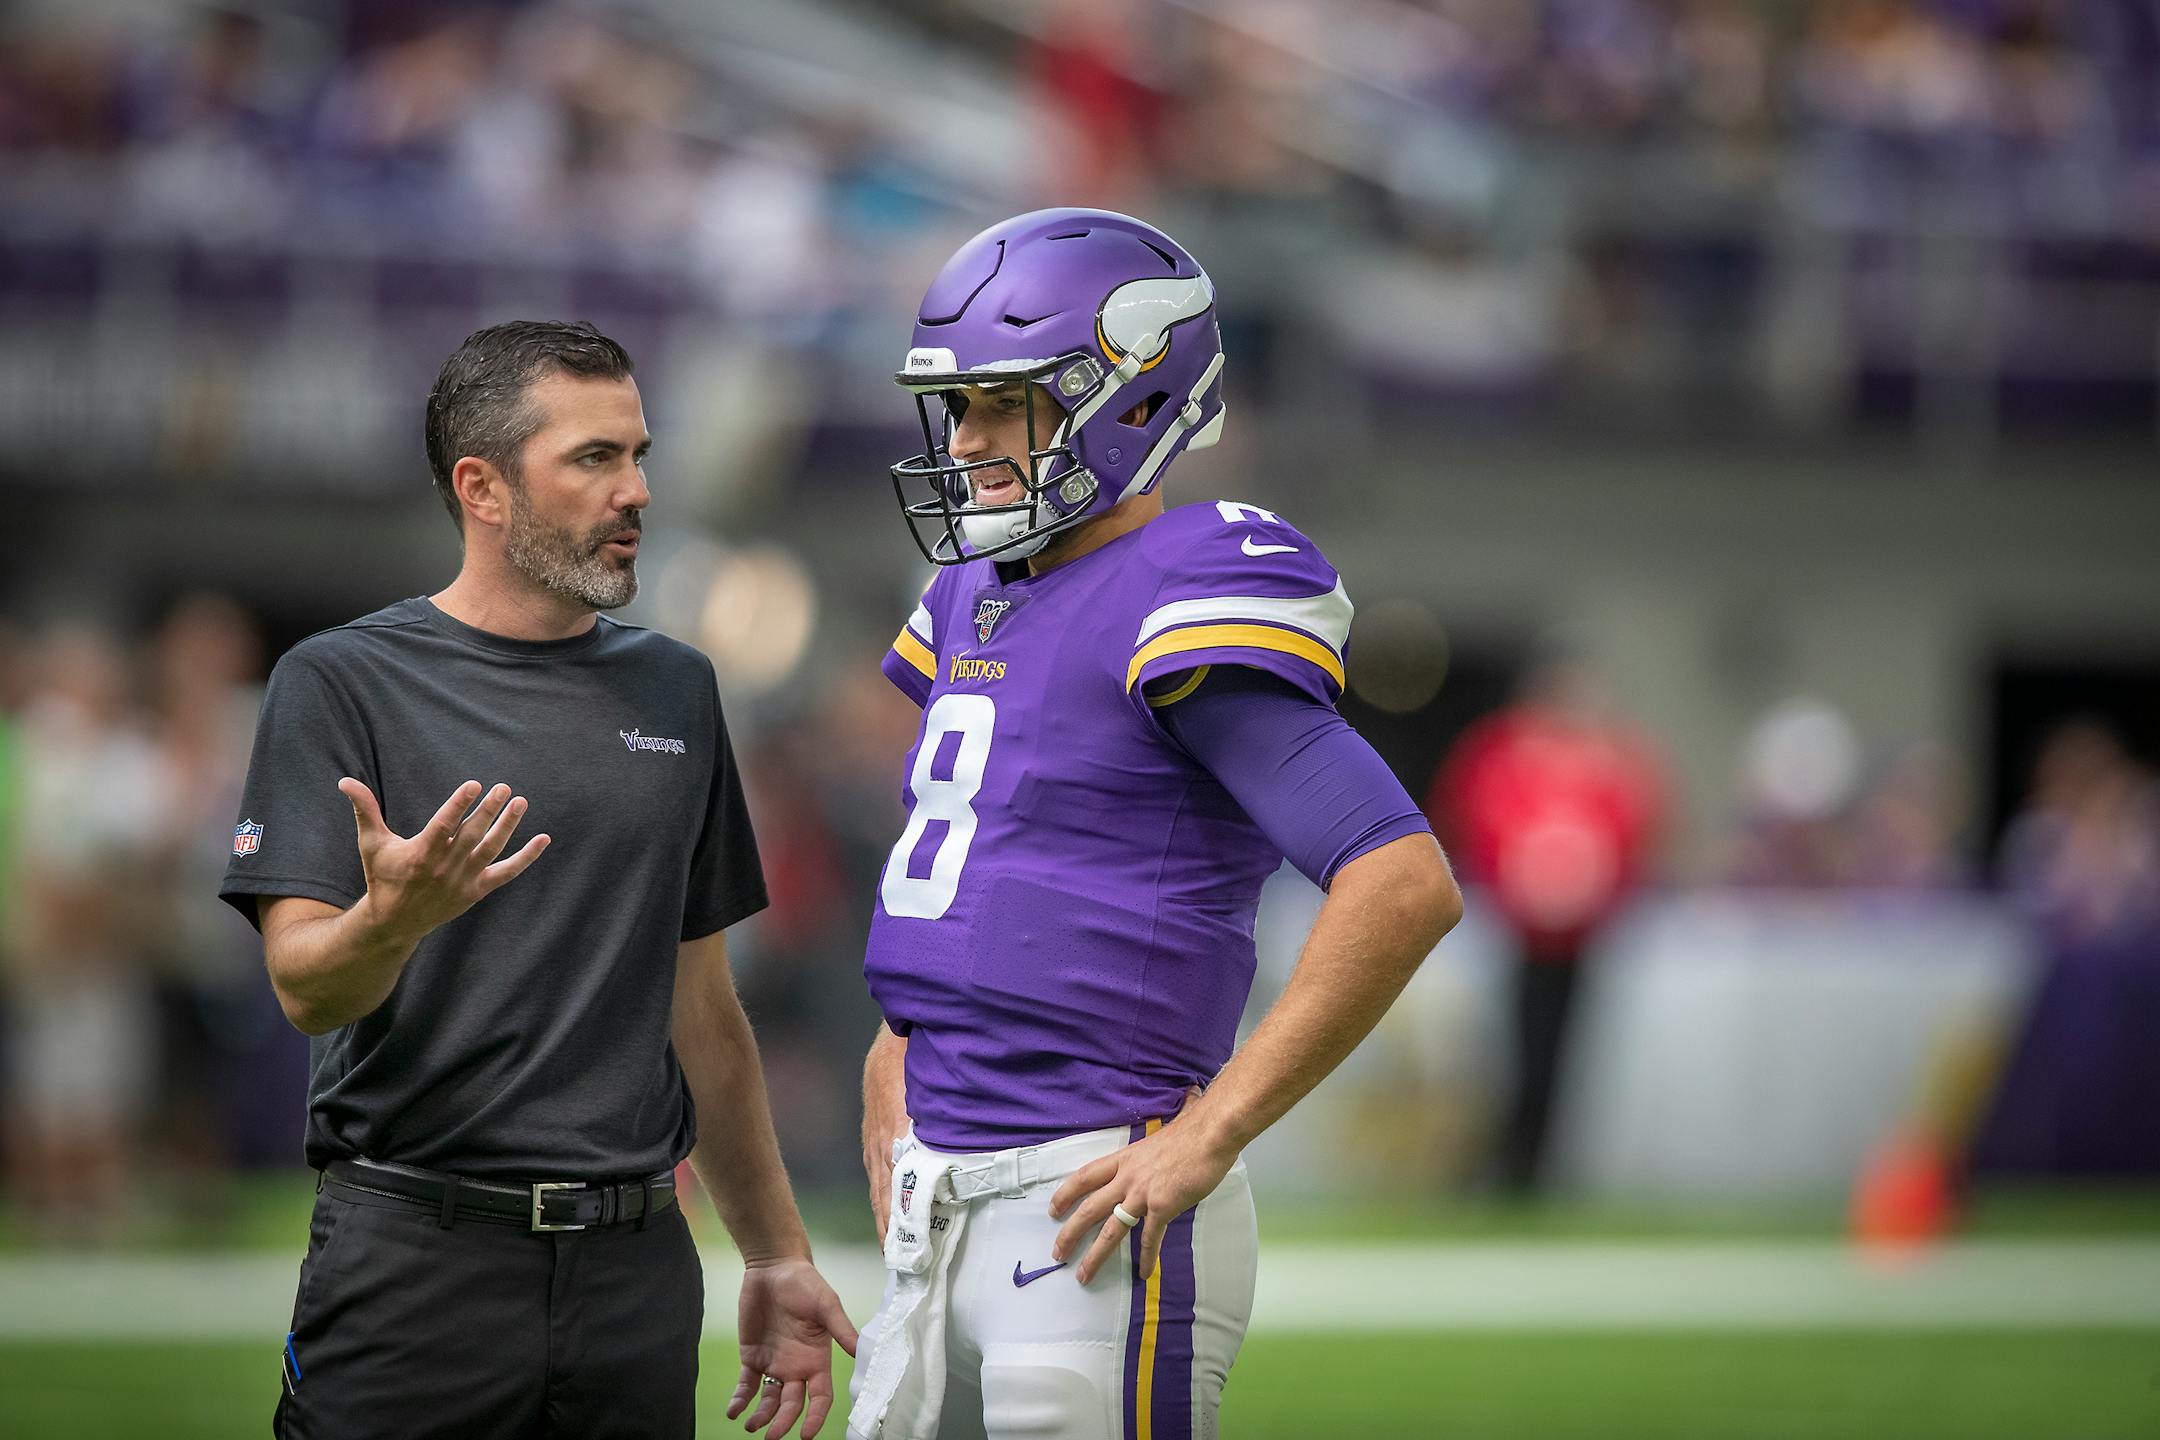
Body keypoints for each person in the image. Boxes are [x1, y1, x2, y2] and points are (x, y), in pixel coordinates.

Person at [850, 210, 1462, 1440]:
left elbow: (1402, 881)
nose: (965, 444)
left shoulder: (1186, 583)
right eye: (958, 408)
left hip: (1088, 1197)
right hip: (938, 1199)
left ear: (1130, 399)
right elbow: (999, 856)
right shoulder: (977, 588)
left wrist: (1215, 1130)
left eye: (1002, 406)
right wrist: (894, 1038)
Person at [218, 320, 855, 1440]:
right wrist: (392, 922)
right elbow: (308, 990)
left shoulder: (679, 690)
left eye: (639, 453)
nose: (638, 491)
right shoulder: (339, 682)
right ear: (485, 488)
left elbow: (703, 1014)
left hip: (637, 1274)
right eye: (594, 459)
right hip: (418, 1263)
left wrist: (777, 1254)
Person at [1428, 658, 1663, 1193]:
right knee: (1494, 1044)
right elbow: (1466, 817)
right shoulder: (1501, 752)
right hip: (1507, 931)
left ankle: (1536, 1163)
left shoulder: (1613, 757)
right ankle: (1492, 1157)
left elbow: (1639, 824)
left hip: (1581, 935)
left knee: (1560, 1051)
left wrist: (1596, 887)